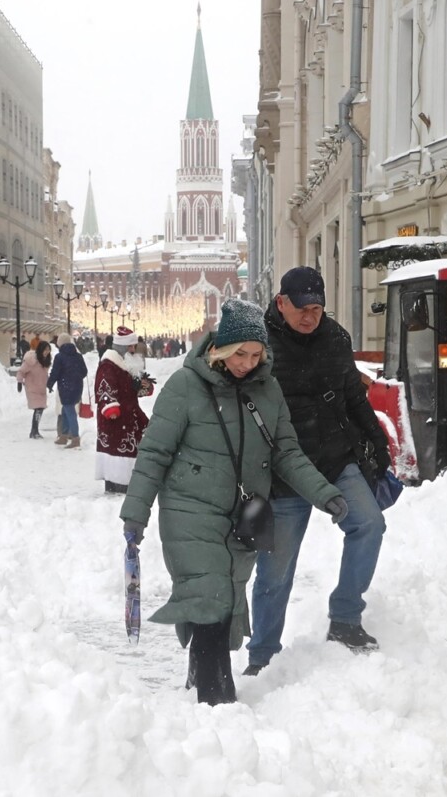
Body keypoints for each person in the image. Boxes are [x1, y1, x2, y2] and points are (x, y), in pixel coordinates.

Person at [119, 299, 345, 706]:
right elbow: (153, 454)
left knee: (225, 600)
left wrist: (324, 494)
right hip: (190, 513)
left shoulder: (267, 390)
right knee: (212, 599)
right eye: (240, 353)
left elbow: (286, 454)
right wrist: (136, 513)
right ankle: (216, 701)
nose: (247, 363)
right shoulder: (185, 388)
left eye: (256, 354)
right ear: (221, 348)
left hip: (241, 517)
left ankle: (199, 679)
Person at [245, 267, 391, 673]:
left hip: (335, 460)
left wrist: (376, 442)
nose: (310, 316)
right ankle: (263, 656)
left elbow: (352, 397)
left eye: (317, 308)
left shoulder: (335, 337)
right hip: (285, 474)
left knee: (370, 526)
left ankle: (345, 618)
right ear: (280, 303)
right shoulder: (259, 344)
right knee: (275, 571)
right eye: (301, 308)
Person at [95, 326, 149, 494]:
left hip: (130, 415)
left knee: (130, 451)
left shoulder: (127, 364)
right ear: (122, 346)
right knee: (117, 453)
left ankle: (126, 483)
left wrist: (142, 386)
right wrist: (110, 407)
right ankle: (117, 485)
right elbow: (104, 389)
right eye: (130, 346)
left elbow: (135, 387)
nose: (133, 350)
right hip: (116, 420)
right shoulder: (108, 365)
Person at [47, 332, 88, 448]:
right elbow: (84, 372)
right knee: (65, 411)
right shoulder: (78, 356)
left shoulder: (59, 357)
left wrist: (50, 384)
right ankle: (64, 436)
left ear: (59, 344)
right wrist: (75, 378)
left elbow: (55, 373)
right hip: (77, 387)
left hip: (65, 387)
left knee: (70, 412)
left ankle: (75, 438)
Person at [16, 340, 52, 438]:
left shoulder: (46, 360)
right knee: (39, 408)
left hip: (41, 388)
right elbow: (21, 371)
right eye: (45, 350)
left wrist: (49, 384)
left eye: (48, 350)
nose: (47, 352)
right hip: (32, 387)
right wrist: (19, 382)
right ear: (40, 349)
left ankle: (34, 431)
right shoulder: (31, 361)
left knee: (40, 409)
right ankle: (34, 431)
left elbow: (44, 375)